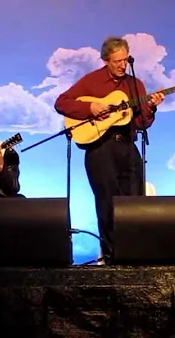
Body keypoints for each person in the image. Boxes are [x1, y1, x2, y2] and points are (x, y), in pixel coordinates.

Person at [54, 36, 164, 263]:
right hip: (100, 148)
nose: (122, 65)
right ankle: (112, 256)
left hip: (127, 145)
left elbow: (141, 123)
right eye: (117, 61)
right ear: (106, 60)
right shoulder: (92, 81)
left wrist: (151, 107)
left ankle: (135, 253)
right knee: (107, 201)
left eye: (125, 60)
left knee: (135, 198)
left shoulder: (136, 85)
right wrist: (90, 107)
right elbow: (61, 102)